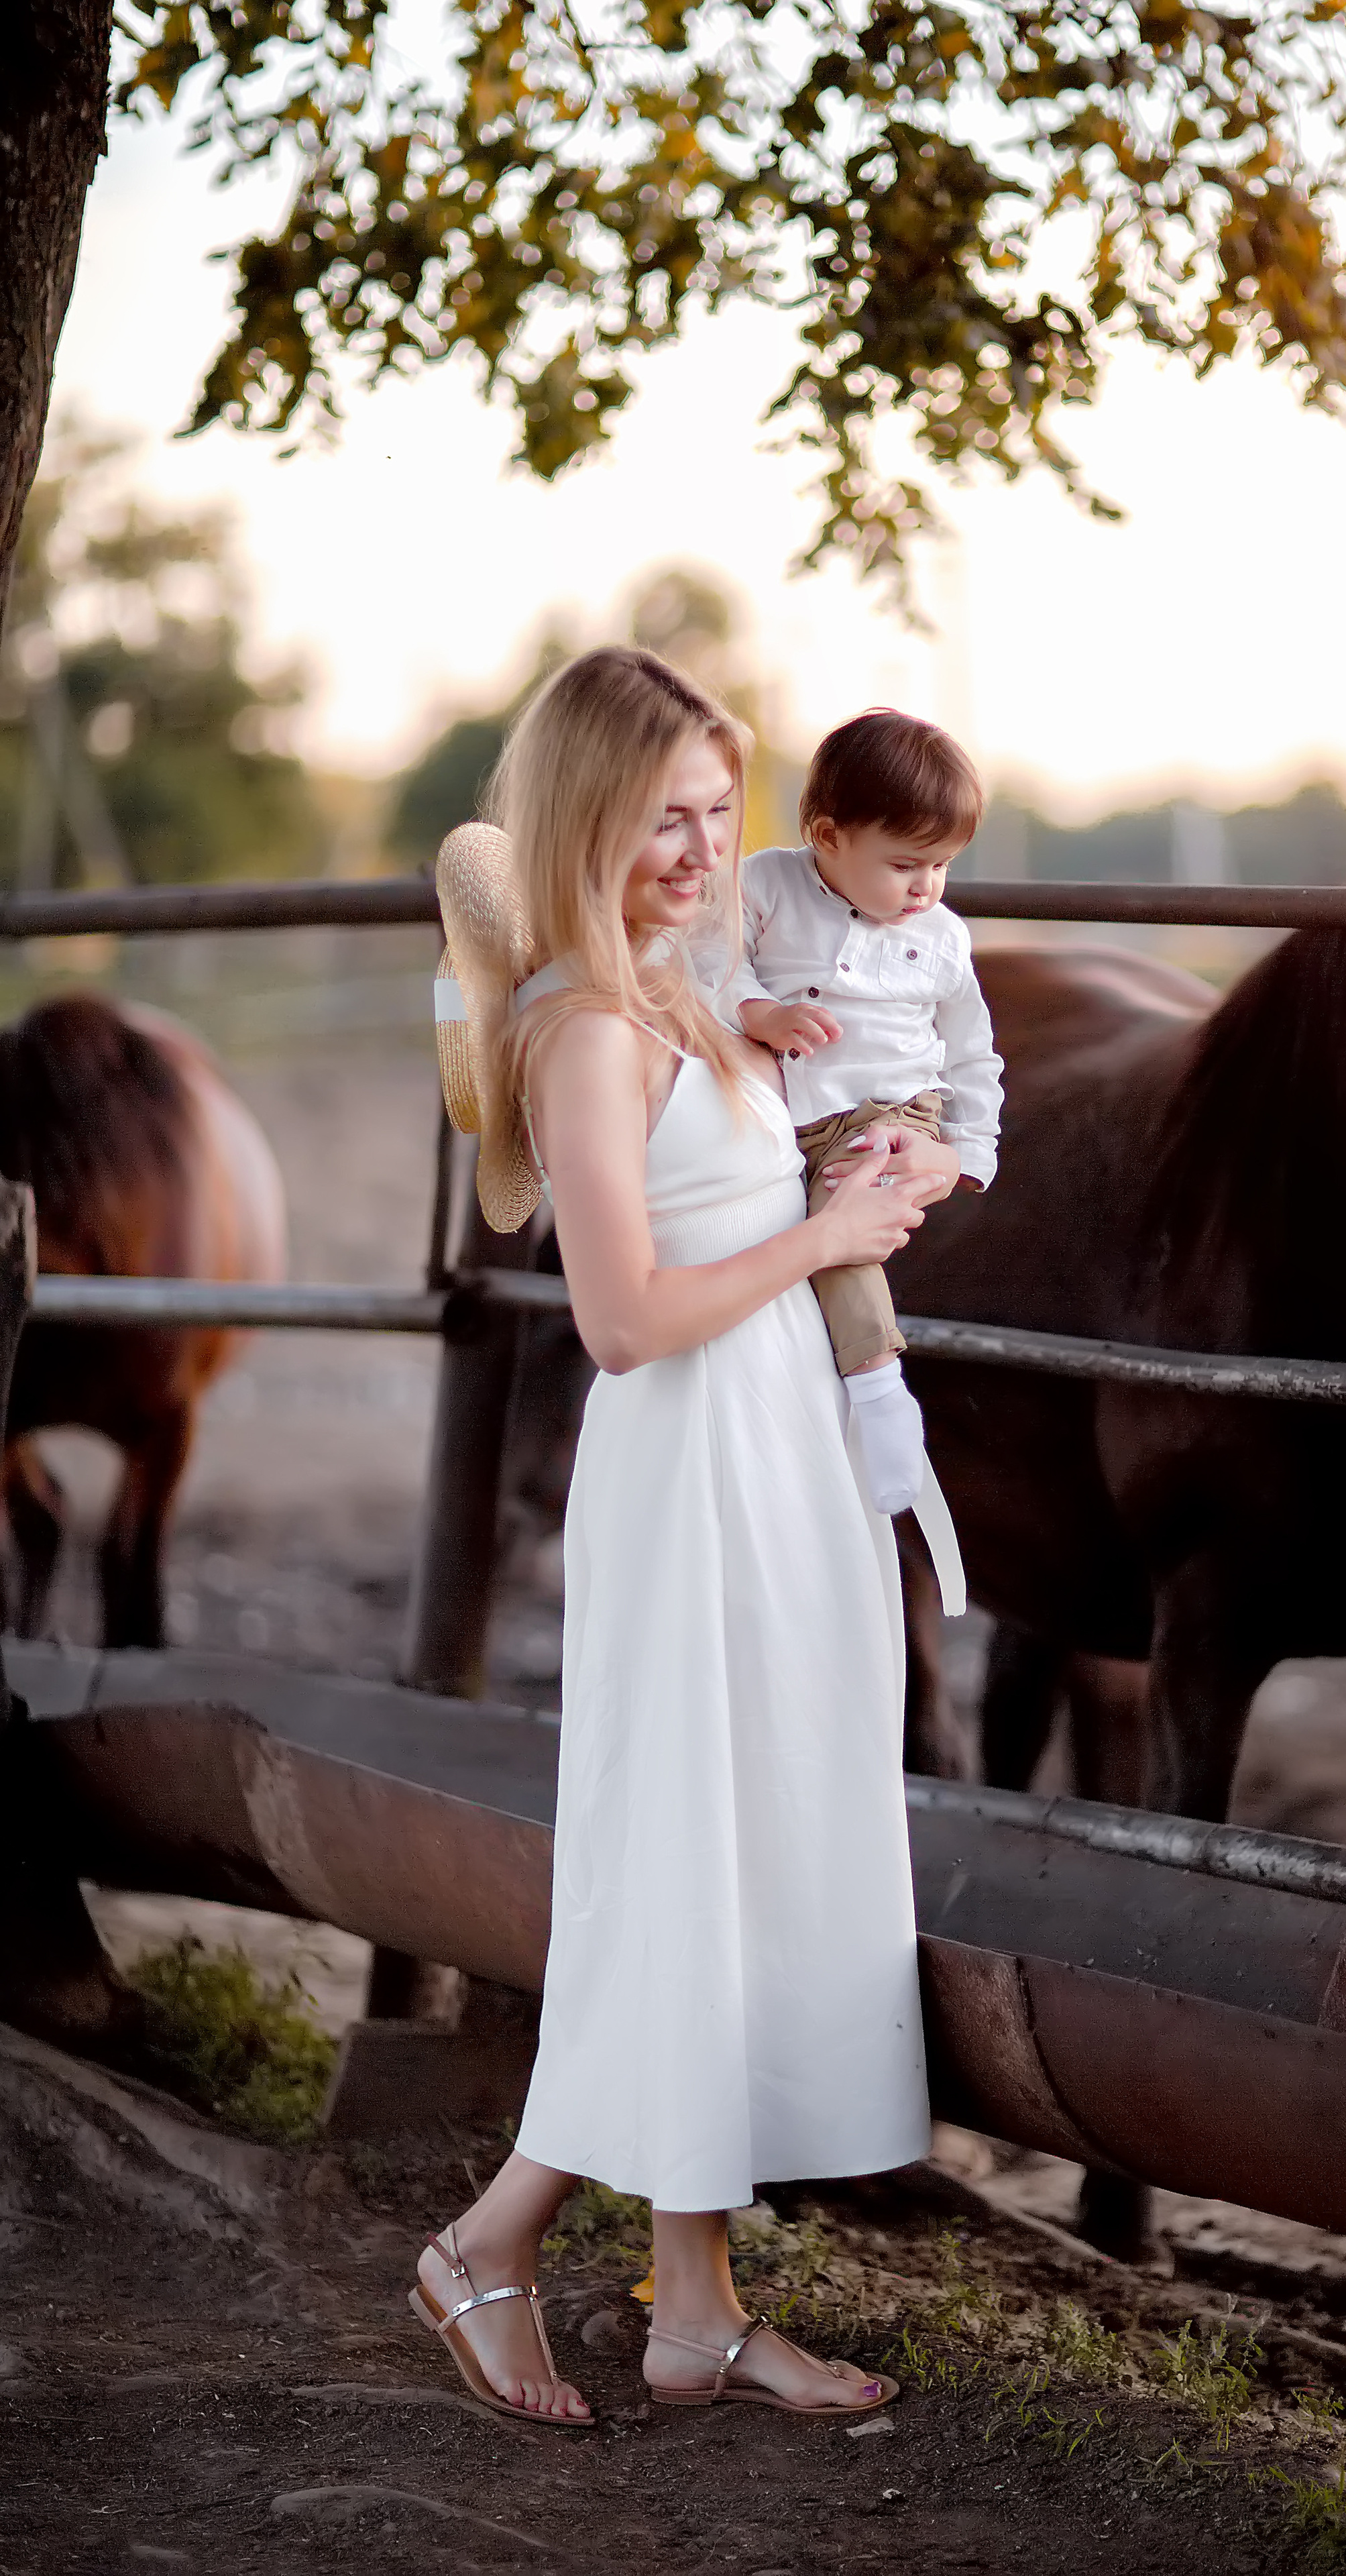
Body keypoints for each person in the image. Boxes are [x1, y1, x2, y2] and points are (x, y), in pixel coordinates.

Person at [412, 646, 959, 2426]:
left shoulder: (681, 987)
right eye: (665, 815)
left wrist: (876, 1176)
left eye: (721, 813)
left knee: (743, 1877)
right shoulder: (581, 1020)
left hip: (778, 1457)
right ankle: (486, 2243)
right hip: (689, 1466)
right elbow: (625, 1317)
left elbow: (771, 1183)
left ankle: (694, 2310)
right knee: (677, 1880)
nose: (701, 845)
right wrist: (823, 1238)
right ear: (586, 811)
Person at [695, 710, 1003, 1519]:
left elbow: (974, 1054)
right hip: (785, 1110)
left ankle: (879, 1394)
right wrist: (757, 1012)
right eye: (906, 865)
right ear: (828, 836)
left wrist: (969, 1153)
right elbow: (704, 961)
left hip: (895, 1110)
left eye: (941, 866)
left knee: (842, 1209)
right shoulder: (764, 884)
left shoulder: (941, 937)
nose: (926, 888)